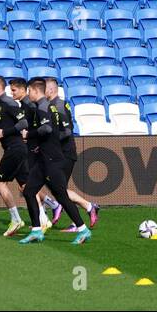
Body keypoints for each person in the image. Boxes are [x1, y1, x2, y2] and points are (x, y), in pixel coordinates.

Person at [18, 78, 90, 245]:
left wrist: (29, 135)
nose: (29, 94)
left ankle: (83, 229)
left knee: (62, 196)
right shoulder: (48, 107)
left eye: (30, 91)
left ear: (36, 91)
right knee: (29, 192)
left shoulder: (44, 107)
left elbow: (47, 129)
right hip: (44, 159)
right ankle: (36, 230)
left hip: (51, 160)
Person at [44, 76, 99, 231]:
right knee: (59, 189)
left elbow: (67, 131)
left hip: (65, 154)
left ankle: (83, 214)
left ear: (51, 89)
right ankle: (86, 210)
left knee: (59, 190)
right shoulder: (53, 105)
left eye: (44, 89)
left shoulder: (59, 105)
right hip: (59, 154)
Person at [0, 75, 36, 237]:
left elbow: (23, 124)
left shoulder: (8, 103)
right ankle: (44, 218)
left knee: (0, 184)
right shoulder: (0, 104)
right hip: (15, 148)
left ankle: (16, 219)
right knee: (25, 186)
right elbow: (8, 127)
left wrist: (4, 132)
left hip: (15, 149)